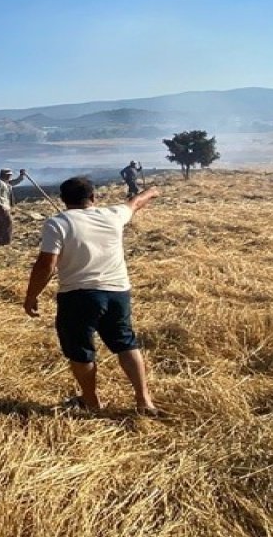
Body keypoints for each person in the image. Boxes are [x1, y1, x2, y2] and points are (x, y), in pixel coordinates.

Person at [23, 176, 162, 414]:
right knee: (126, 344)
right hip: (118, 292)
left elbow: (46, 265)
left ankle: (92, 402)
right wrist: (152, 191)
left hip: (79, 295)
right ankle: (144, 400)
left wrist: (31, 296)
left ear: (63, 199)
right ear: (93, 197)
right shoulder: (113, 215)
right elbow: (135, 203)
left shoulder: (57, 223)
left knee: (81, 351)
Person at [0, 167, 27, 246]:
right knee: (8, 223)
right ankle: (6, 242)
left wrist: (22, 175)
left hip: (1, 207)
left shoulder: (6, 182)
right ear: (3, 175)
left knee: (1, 224)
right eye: (8, 175)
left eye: (10, 175)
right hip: (1, 207)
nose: (10, 176)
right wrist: (0, 205)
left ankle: (0, 242)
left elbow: (15, 182)